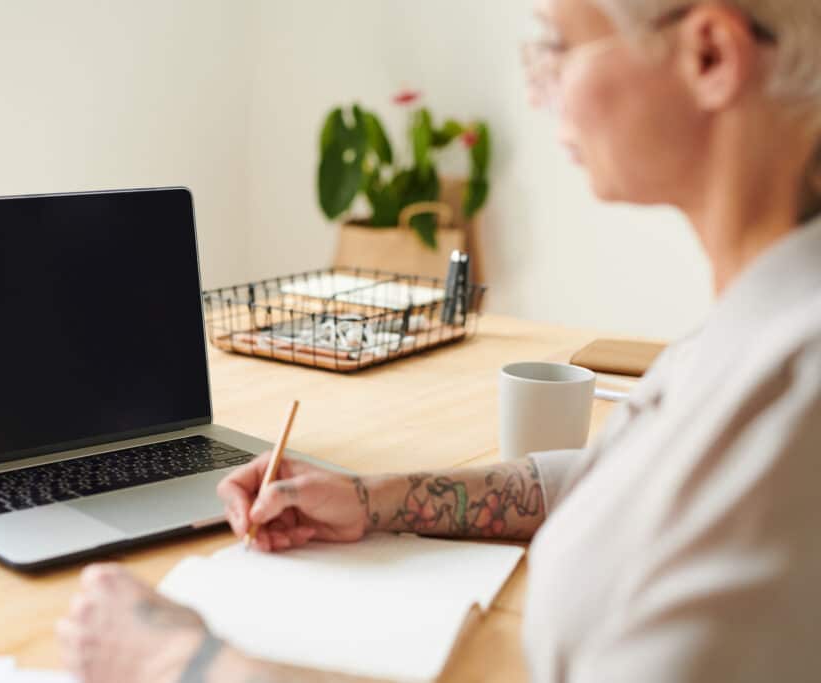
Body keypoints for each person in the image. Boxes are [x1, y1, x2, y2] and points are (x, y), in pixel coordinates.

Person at [56, 0, 821, 680]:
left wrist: (184, 662)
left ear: (710, 56)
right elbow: (604, 479)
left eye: (555, 45)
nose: (534, 88)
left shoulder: (795, 400)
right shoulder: (754, 324)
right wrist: (373, 499)